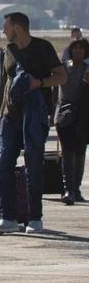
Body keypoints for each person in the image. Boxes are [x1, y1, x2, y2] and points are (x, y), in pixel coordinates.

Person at [0, 11, 67, 235]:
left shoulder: (43, 47)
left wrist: (40, 83)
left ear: (18, 27)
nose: (3, 30)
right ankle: (8, 217)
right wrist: (1, 113)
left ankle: (35, 218)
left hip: (34, 114)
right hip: (10, 117)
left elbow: (62, 76)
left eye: (6, 26)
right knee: (4, 164)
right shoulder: (9, 51)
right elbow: (7, 83)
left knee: (33, 166)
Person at [57, 38, 89, 204]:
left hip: (83, 116)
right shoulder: (63, 68)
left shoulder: (87, 69)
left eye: (81, 48)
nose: (78, 51)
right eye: (75, 48)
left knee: (80, 152)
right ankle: (68, 189)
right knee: (68, 152)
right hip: (65, 115)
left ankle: (76, 189)